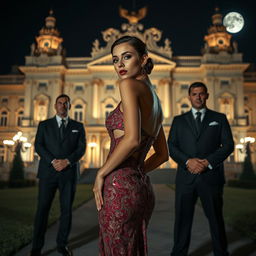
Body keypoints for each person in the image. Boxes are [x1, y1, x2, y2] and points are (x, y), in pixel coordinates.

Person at [93, 35, 169, 255]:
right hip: (141, 189)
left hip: (119, 189)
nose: (120, 65)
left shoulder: (127, 85)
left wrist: (101, 173)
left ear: (144, 58)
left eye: (127, 57)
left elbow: (132, 139)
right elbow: (162, 154)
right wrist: (136, 172)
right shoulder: (156, 101)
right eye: (115, 59)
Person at [168, 82, 234, 256]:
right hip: (185, 178)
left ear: (207, 96)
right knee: (182, 221)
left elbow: (228, 145)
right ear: (189, 97)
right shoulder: (178, 121)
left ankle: (221, 253)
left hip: (211, 177)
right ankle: (179, 253)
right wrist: (188, 161)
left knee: (216, 219)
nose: (198, 97)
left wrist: (207, 162)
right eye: (194, 94)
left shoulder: (219, 118)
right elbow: (172, 147)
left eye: (201, 94)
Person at [30, 94, 86, 256]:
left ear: (70, 106)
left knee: (66, 210)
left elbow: (81, 149)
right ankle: (36, 247)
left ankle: (62, 245)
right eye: (60, 103)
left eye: (66, 103)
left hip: (68, 174)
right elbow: (39, 146)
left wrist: (67, 161)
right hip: (48, 173)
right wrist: (53, 161)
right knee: (42, 210)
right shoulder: (44, 125)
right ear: (55, 106)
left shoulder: (78, 126)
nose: (62, 106)